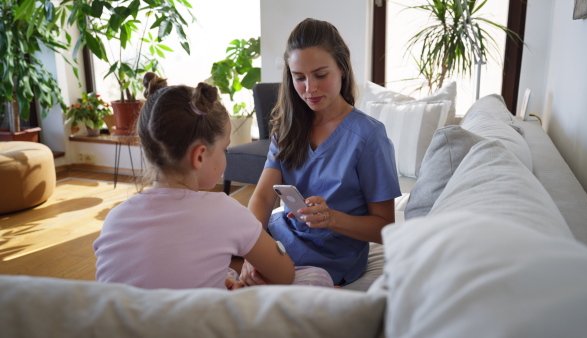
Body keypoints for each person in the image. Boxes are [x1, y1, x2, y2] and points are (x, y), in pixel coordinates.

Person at [94, 72, 333, 290]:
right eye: (224, 149)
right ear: (199, 156)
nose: (226, 156)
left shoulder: (114, 219)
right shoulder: (225, 210)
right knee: (318, 276)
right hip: (200, 325)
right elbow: (285, 274)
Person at [242, 18, 401, 287]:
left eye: (320, 75)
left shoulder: (369, 136)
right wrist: (252, 248)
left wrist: (331, 219)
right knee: (215, 257)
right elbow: (263, 197)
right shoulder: (287, 127)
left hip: (332, 255)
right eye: (299, 77)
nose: (309, 88)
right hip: (283, 234)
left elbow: (385, 228)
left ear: (341, 68)